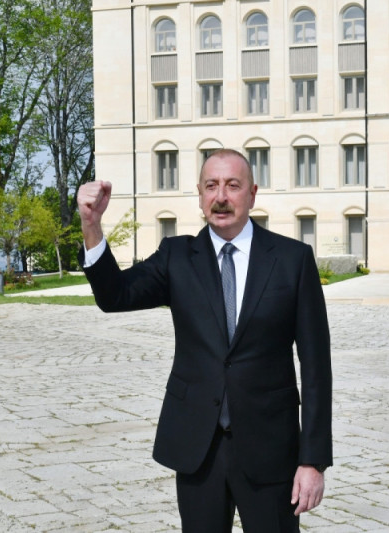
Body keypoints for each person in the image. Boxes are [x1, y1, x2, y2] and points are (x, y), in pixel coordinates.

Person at [77, 149, 332, 532]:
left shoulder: (292, 260)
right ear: (200, 195)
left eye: (233, 185)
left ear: (252, 194)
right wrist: (92, 225)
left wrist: (312, 461)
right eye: (211, 186)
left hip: (270, 449)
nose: (221, 196)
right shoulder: (177, 257)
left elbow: (316, 368)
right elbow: (115, 296)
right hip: (198, 449)